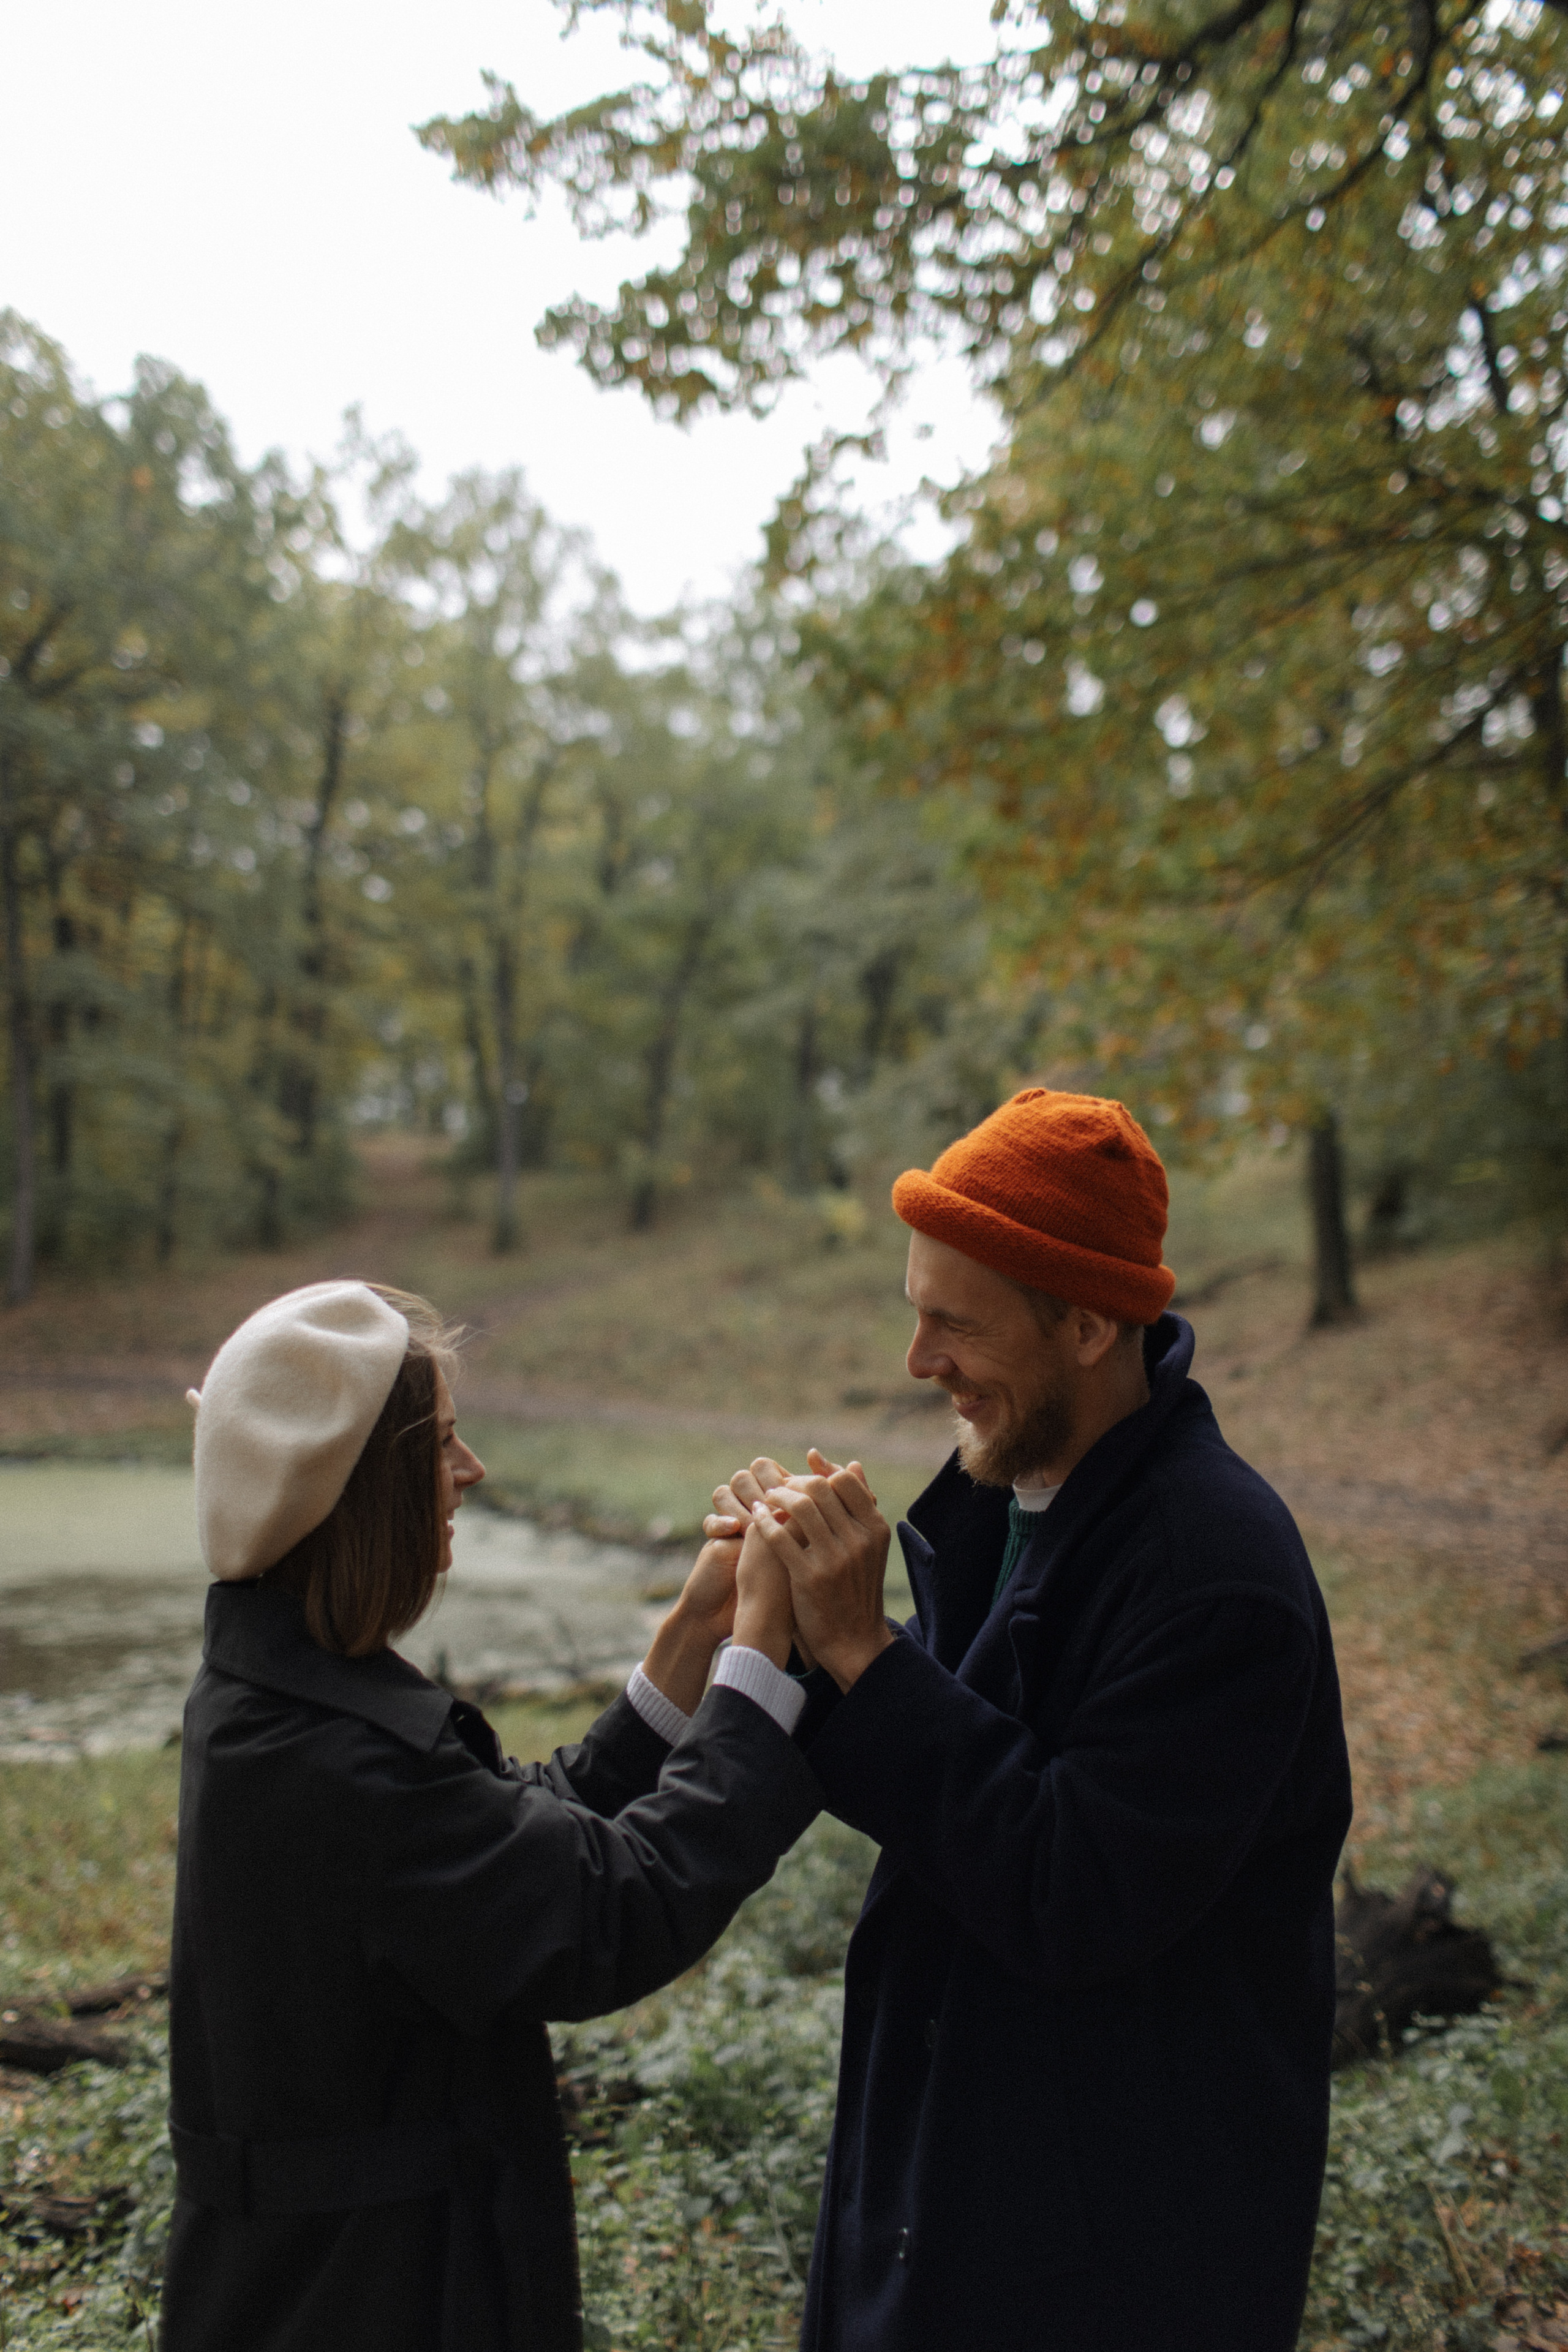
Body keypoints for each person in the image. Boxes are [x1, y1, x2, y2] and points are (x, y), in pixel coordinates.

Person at [709, 1088, 1354, 2352]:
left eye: (953, 1322)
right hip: (947, 2191)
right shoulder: (1009, 1500)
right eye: (914, 1311)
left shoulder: (1212, 1575)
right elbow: (948, 1802)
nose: (917, 1362)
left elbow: (1069, 1887)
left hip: (1114, 2258)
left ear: (1088, 1319)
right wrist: (763, 1638)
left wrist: (859, 1647)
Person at [163, 1278, 817, 2352]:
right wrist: (757, 1668)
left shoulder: (265, 1698)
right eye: (444, 1446)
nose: (471, 1473)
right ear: (362, 1487)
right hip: (379, 2302)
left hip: (300, 2294)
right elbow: (609, 1911)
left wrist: (692, 1639)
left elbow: (505, 1848)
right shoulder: (343, 1761)